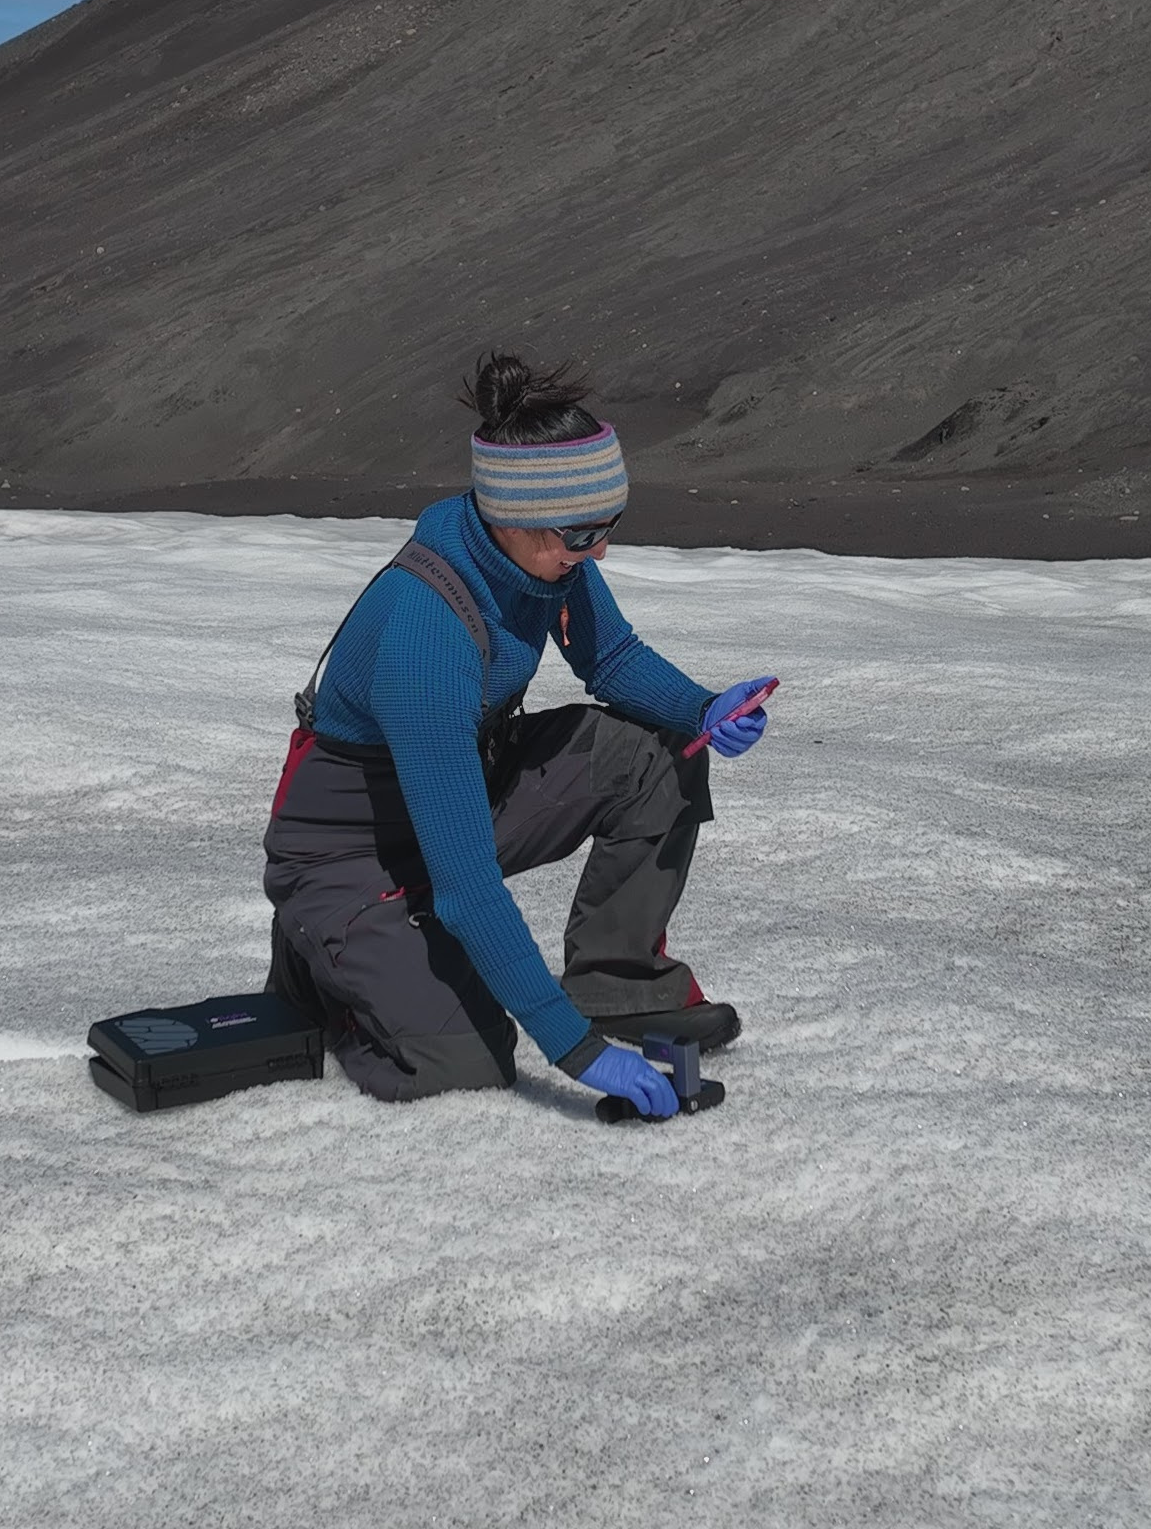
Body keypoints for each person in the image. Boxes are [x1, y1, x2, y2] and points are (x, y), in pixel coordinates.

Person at [262, 353, 775, 1116]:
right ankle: (327, 969)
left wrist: (704, 711)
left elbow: (613, 657)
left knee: (654, 760)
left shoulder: (544, 561)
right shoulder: (425, 636)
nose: (598, 551)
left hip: (460, 794)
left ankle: (616, 983)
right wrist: (575, 1051)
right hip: (351, 852)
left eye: (609, 527)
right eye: (581, 534)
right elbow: (468, 890)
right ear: (509, 514)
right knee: (464, 1065)